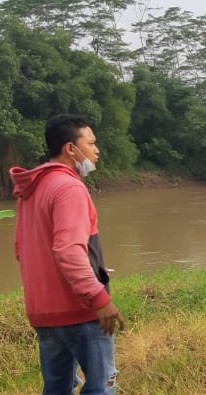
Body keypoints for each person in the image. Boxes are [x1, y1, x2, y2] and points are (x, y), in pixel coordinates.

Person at [10, 114, 125, 394]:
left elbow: (23, 250)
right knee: (102, 386)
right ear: (70, 149)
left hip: (44, 313)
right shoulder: (70, 188)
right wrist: (98, 296)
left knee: (57, 387)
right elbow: (68, 250)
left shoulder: (32, 191)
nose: (96, 150)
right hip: (79, 311)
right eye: (91, 143)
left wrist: (94, 269)